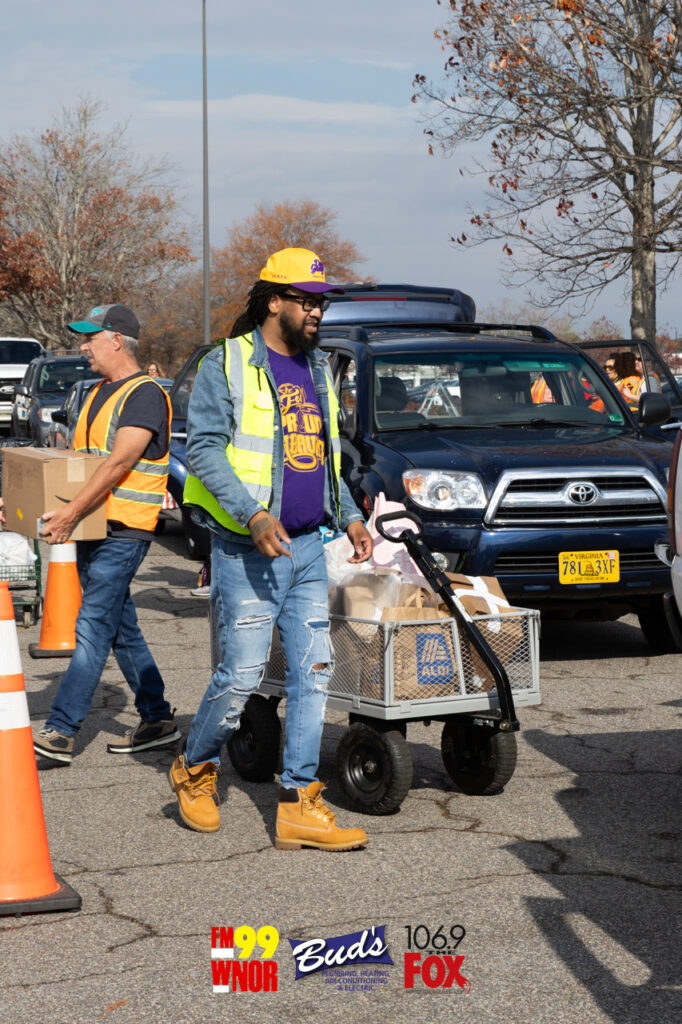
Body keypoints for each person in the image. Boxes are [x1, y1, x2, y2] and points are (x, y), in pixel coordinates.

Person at [170, 247, 373, 849]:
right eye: (306, 301)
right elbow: (203, 450)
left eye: (321, 303)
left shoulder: (318, 368)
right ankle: (195, 767)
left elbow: (324, 457)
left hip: (308, 547)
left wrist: (352, 516)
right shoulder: (227, 362)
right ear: (273, 300)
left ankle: (298, 802)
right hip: (247, 549)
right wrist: (253, 514)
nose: (317, 312)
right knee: (241, 676)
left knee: (314, 674)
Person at [32, 304, 180, 764]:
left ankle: (61, 730)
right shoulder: (97, 392)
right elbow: (76, 464)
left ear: (117, 340)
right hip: (93, 527)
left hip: (124, 531)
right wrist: (25, 501)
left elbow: (118, 463)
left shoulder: (145, 394)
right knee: (120, 628)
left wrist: (70, 513)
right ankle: (157, 719)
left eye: (89, 338)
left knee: (93, 626)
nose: (83, 346)